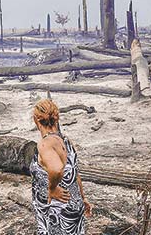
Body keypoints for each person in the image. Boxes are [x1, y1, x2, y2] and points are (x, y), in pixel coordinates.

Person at [30, 98, 92, 234]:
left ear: (36, 120)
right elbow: (74, 173)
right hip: (73, 205)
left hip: (57, 211)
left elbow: (56, 169)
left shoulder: (45, 144)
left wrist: (52, 189)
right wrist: (83, 198)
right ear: (57, 119)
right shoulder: (65, 141)